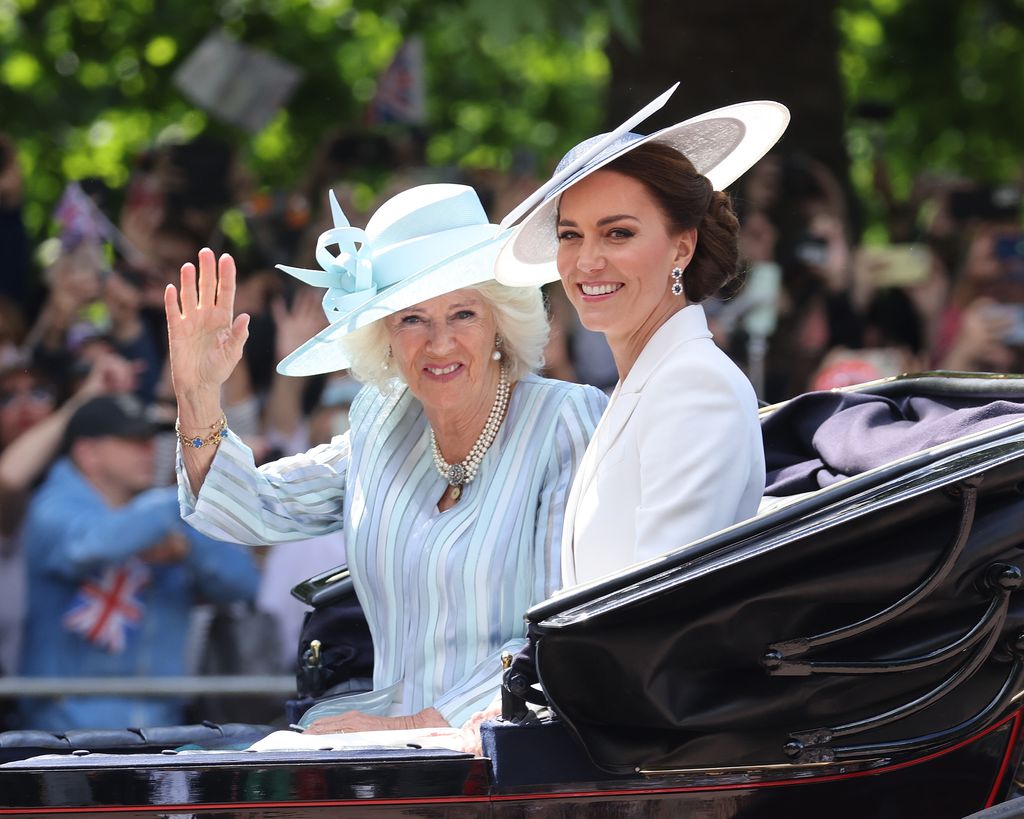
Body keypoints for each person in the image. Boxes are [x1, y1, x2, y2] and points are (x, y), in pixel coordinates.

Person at [165, 183, 607, 733]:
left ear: (499, 320)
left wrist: (415, 726)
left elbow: (560, 628)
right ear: (385, 338)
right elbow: (251, 507)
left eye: (463, 313)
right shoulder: (382, 417)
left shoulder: (564, 418)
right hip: (384, 745)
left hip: (511, 740)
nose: (440, 343)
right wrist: (199, 395)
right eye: (411, 319)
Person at [495, 87, 789, 586]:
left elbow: (655, 607)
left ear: (682, 247)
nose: (587, 261)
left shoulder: (695, 386)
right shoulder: (649, 379)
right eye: (570, 235)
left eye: (618, 233)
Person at [18, 394, 260, 731]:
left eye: (150, 439)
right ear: (88, 454)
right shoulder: (52, 507)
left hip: (162, 730)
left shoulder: (166, 516)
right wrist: (186, 492)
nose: (148, 450)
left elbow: (244, 584)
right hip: (65, 735)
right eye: (132, 441)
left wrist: (190, 549)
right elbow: (91, 546)